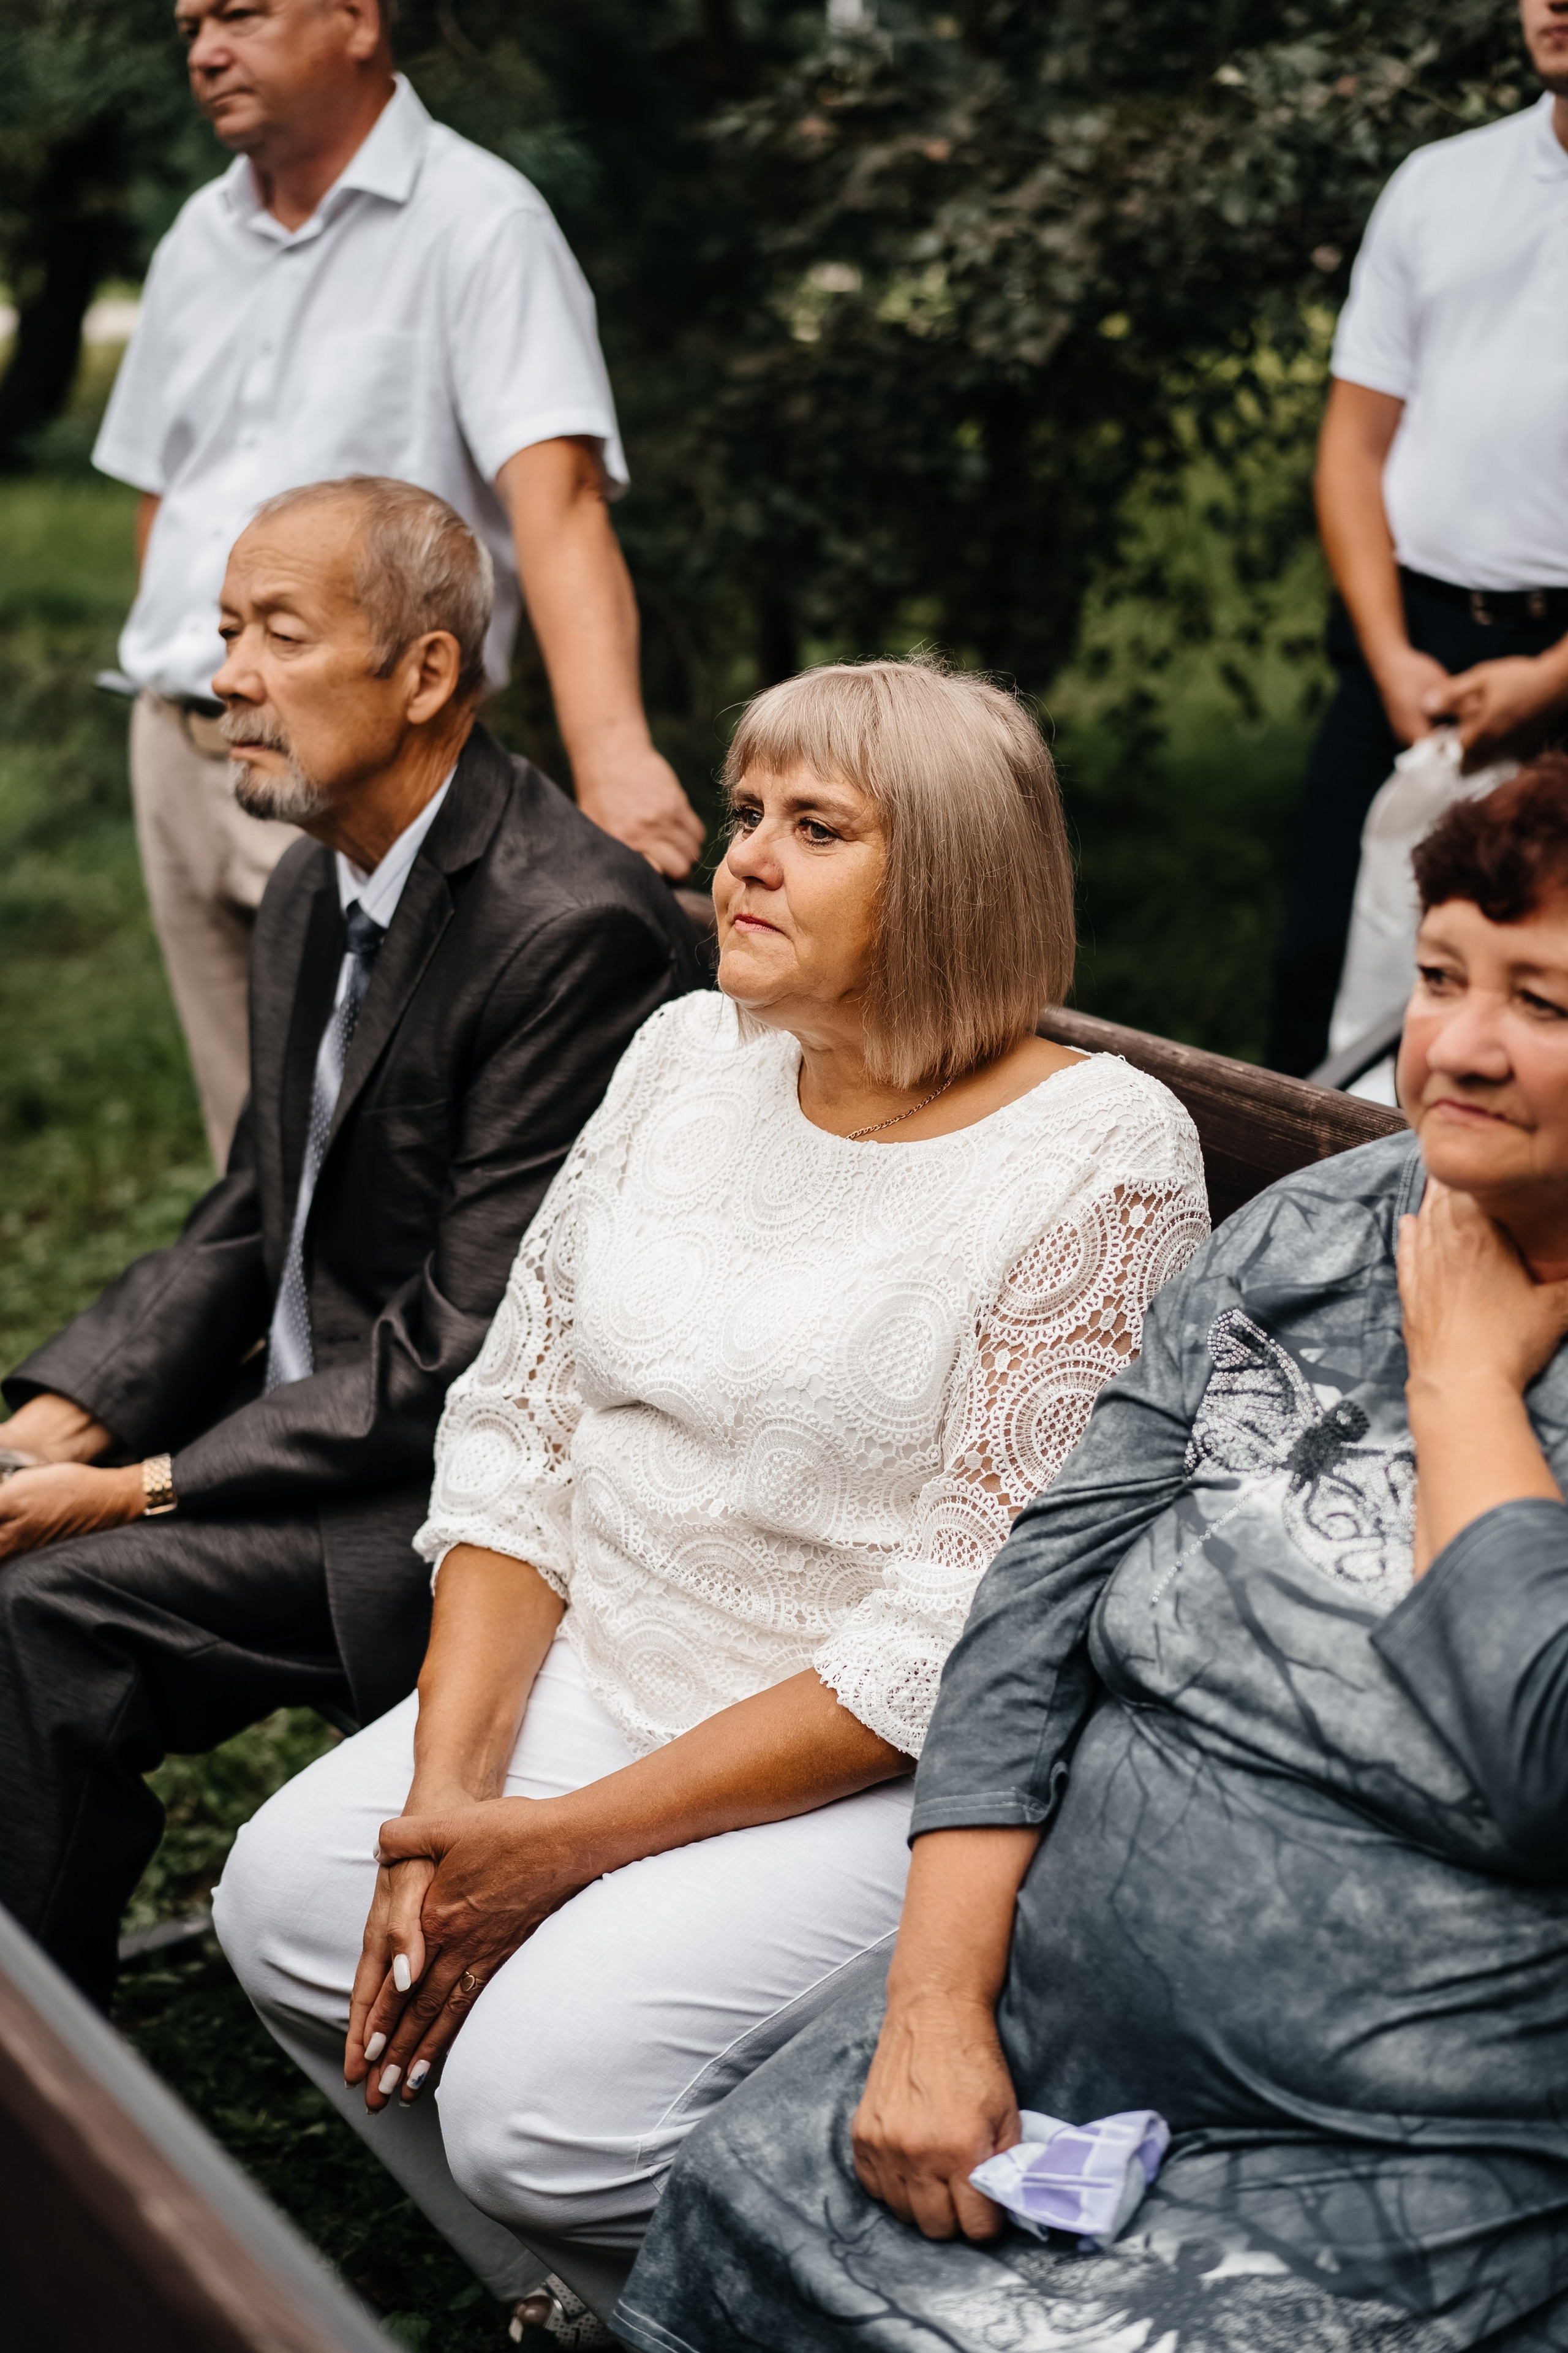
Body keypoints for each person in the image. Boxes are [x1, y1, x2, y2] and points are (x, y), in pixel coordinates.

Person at [213, 657, 1210, 2328]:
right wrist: (451, 1816)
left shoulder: (1101, 1159)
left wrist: (552, 1851)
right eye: (748, 813)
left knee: (542, 2116)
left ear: (952, 878)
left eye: (816, 827)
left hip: (875, 1768)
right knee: (293, 1915)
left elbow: (948, 1637)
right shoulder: (688, 1054)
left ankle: (814, 2286)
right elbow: (523, 1432)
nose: (743, 855)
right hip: (612, 1662)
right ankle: (597, 2302)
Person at [620, 749, 1568, 2353]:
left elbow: (1542, 1755)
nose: (1458, 1048)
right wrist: (932, 2015)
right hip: (1046, 2030)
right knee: (748, 2196)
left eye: (1542, 1002)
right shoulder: (1323, 1230)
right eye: (1439, 979)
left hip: (1401, 2152)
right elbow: (1032, 1607)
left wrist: (1464, 1382)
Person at [0, 475, 699, 2018]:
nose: (224, 675)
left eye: (277, 634)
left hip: (454, 1506)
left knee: (41, 1609)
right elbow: (255, 1208)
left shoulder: (567, 930)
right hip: (318, 1425)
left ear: (426, 675)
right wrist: (55, 1419)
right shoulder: (318, 870)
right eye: (227, 628)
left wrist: (133, 1487)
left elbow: (462, 1350)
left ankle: (47, 2098)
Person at [96, 0, 703, 1166]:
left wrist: (614, 759)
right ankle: (261, 1349)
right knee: (253, 1155)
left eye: (240, 15)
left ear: (356, 20)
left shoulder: (481, 226)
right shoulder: (193, 240)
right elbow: (164, 493)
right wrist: (200, 666)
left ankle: (364, 1356)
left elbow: (559, 501)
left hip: (361, 767)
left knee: (377, 1169)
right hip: (177, 746)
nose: (205, 51)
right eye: (189, 28)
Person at [1268, 0, 1568, 1078]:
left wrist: (1546, 680)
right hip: (1410, 642)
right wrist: (1391, 652)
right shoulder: (1439, 184)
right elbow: (1353, 447)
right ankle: (1298, 1234)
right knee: (1325, 968)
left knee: (1539, 995)